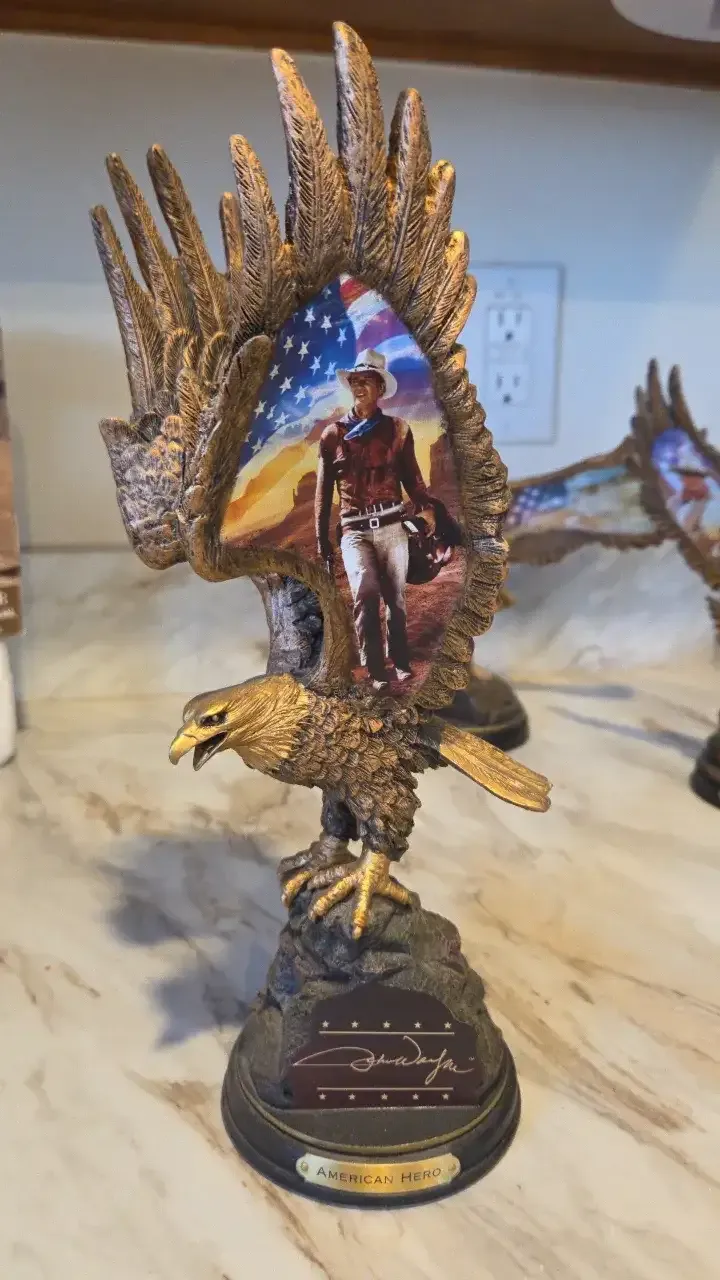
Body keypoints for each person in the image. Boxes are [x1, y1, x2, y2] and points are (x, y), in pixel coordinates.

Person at [315, 349, 436, 691]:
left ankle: (399, 660)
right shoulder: (333, 435)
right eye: (354, 381)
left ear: (381, 388)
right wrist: (322, 540)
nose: (359, 387)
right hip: (354, 529)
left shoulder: (398, 430)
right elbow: (323, 493)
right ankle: (375, 671)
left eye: (366, 381)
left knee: (395, 599)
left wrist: (425, 507)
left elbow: (412, 478)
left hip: (393, 525)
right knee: (366, 595)